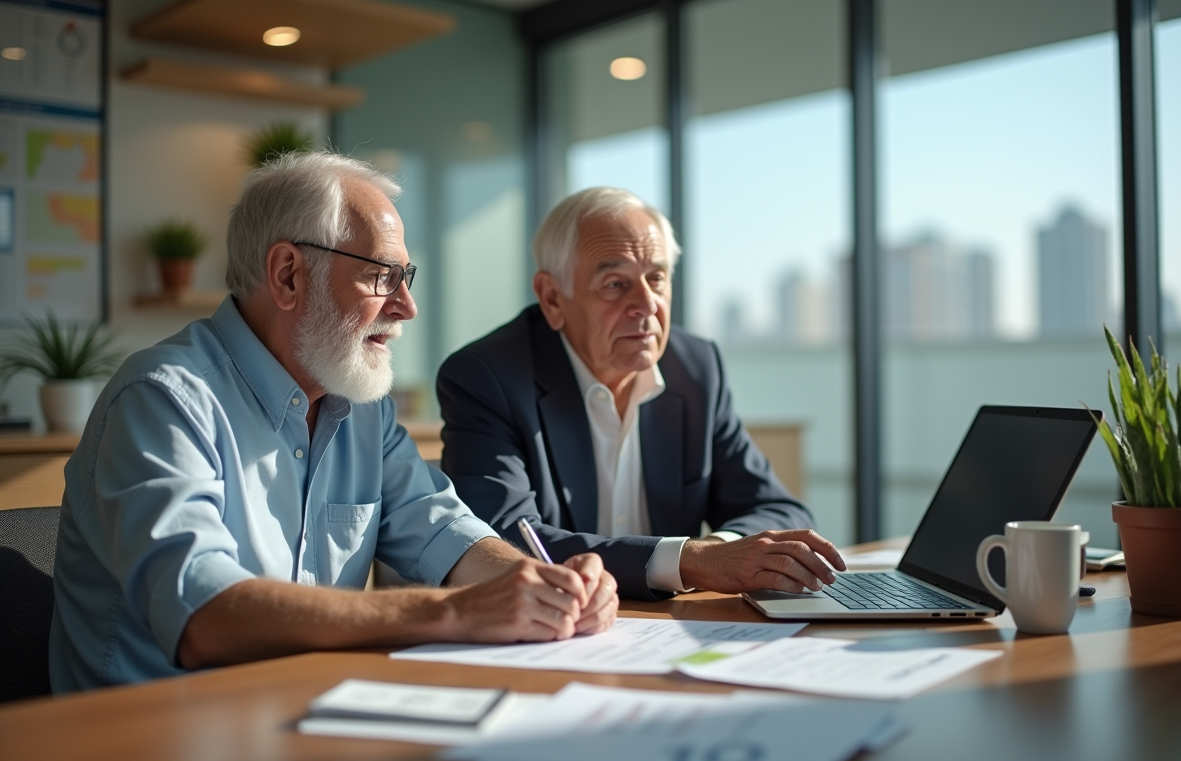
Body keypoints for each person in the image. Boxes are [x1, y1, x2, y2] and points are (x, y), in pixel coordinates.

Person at [49, 153, 617, 693]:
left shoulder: (363, 409)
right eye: (381, 276)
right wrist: (453, 611)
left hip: (306, 719)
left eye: (406, 277)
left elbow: (446, 534)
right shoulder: (163, 399)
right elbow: (204, 616)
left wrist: (545, 587)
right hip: (148, 744)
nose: (405, 306)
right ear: (289, 274)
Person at [437, 187, 845, 601]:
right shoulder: (486, 377)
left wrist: (721, 551)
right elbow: (498, 544)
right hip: (553, 629)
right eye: (615, 284)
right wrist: (690, 561)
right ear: (553, 298)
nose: (647, 304)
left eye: (657, 278)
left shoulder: (696, 368)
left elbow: (779, 509)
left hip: (670, 629)